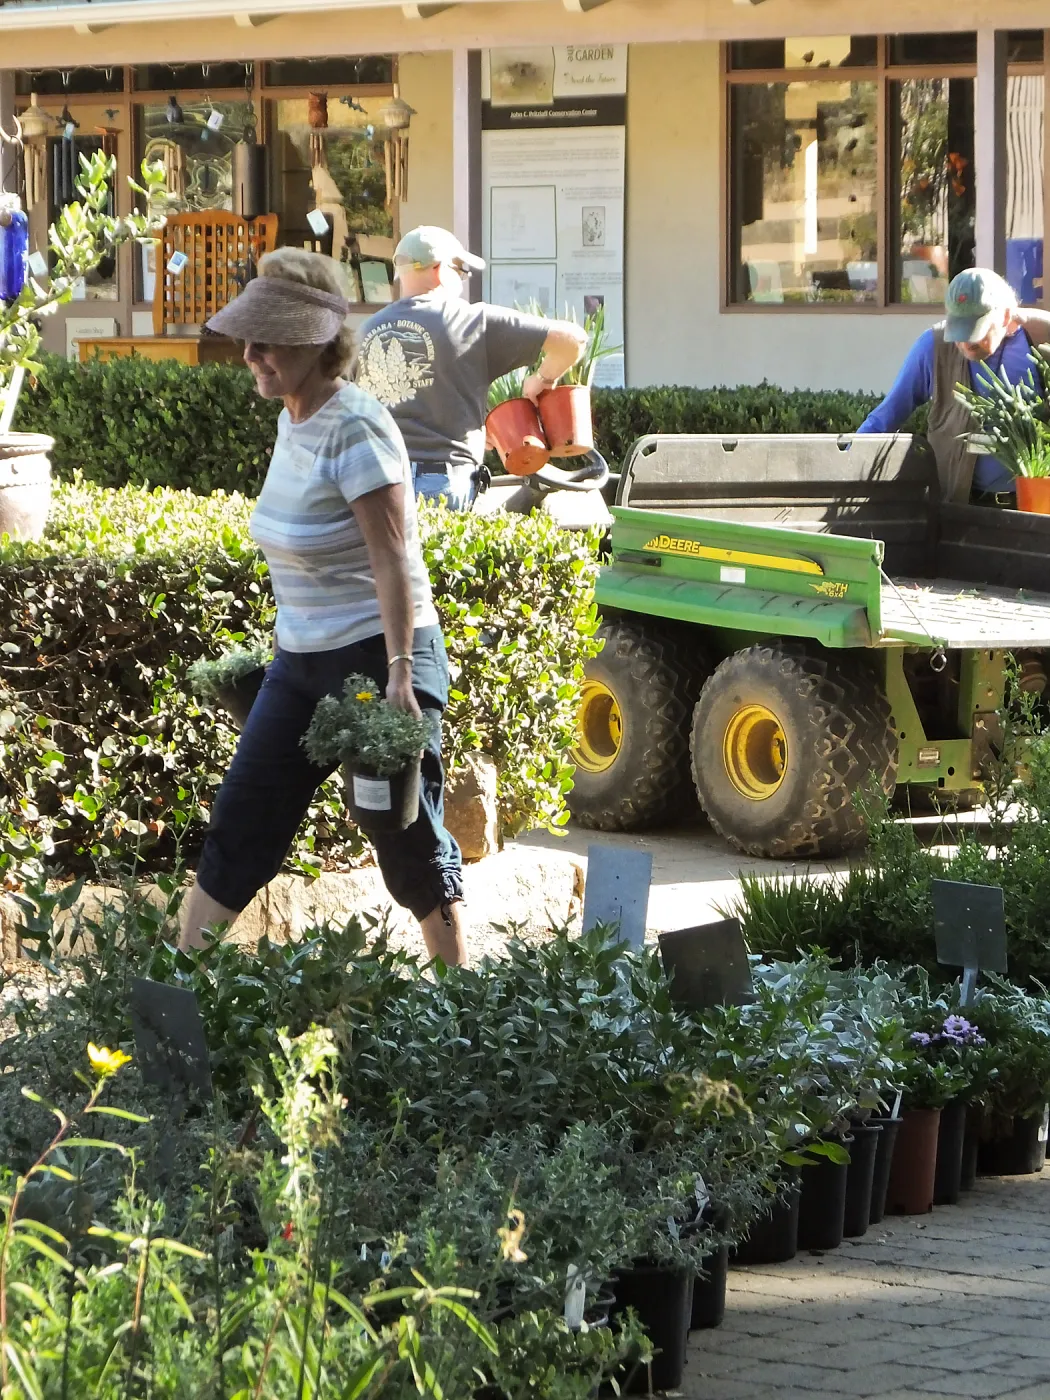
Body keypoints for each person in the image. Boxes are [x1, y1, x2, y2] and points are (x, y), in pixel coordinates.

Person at [177, 247, 467, 967]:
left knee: (405, 839)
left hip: (378, 659)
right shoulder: (293, 418)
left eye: (267, 339)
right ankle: (170, 988)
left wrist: (401, 674)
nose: (250, 354)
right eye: (248, 338)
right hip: (300, 664)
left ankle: (465, 1005)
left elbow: (392, 556)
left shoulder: (356, 426)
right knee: (240, 823)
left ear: (313, 340)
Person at [355, 225, 587, 510]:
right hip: (440, 486)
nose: (463, 279)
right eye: (461, 271)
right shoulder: (472, 322)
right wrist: (543, 378)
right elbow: (573, 341)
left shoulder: (364, 332)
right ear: (439, 271)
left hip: (375, 485)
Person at [857, 267, 1050, 505]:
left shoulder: (1041, 342)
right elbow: (886, 416)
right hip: (959, 507)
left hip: (1033, 507)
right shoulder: (933, 347)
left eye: (976, 331)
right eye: (959, 330)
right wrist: (848, 462)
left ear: (1006, 317)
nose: (966, 343)